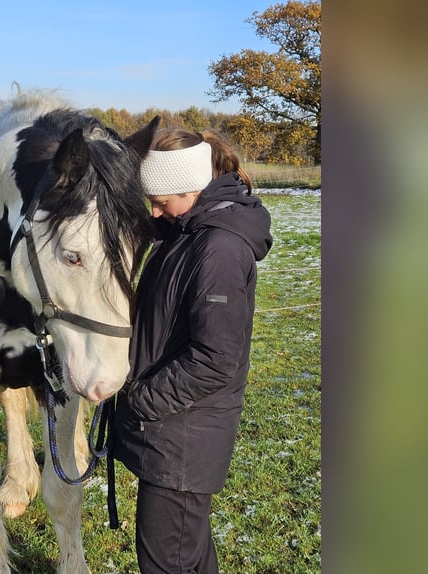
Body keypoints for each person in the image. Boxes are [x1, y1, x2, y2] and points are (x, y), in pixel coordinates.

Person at [113, 127, 273, 573]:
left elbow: (214, 359)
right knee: (190, 554)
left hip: (182, 438)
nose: (154, 210)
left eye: (161, 200)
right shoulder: (186, 230)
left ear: (192, 188)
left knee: (168, 561)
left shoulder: (217, 248)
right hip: (177, 432)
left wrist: (139, 398)